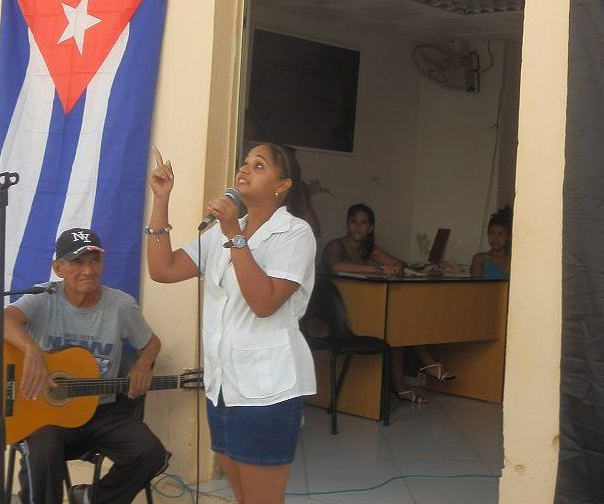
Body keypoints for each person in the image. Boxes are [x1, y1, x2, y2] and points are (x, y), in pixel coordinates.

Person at [146, 143, 317, 504]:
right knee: (241, 497)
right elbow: (163, 270)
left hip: (268, 390)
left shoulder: (295, 234)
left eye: (259, 165)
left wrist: (233, 237)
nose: (245, 169)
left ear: (282, 185)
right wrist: (161, 200)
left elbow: (264, 303)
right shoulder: (226, 231)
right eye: (244, 163)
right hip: (223, 386)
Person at [0, 228, 170, 504]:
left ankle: (90, 498)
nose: (88, 270)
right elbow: (0, 321)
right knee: (43, 451)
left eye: (95, 260)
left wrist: (144, 363)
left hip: (104, 410)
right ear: (58, 268)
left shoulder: (121, 306)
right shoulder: (43, 299)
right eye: (77, 262)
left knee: (151, 453)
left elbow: (151, 342)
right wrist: (31, 349)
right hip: (48, 415)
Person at [320, 204, 454, 403]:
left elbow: (398, 265)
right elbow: (336, 267)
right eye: (353, 221)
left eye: (363, 223)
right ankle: (424, 364)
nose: (357, 227)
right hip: (335, 314)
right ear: (347, 224)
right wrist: (378, 270)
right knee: (394, 321)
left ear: (371, 228)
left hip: (360, 307)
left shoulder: (368, 248)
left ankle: (402, 385)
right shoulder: (335, 246)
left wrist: (390, 266)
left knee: (396, 322)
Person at [470, 205, 513, 279]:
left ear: (508, 237)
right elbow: (475, 288)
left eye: (500, 235)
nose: (495, 239)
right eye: (492, 234)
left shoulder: (514, 260)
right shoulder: (480, 259)